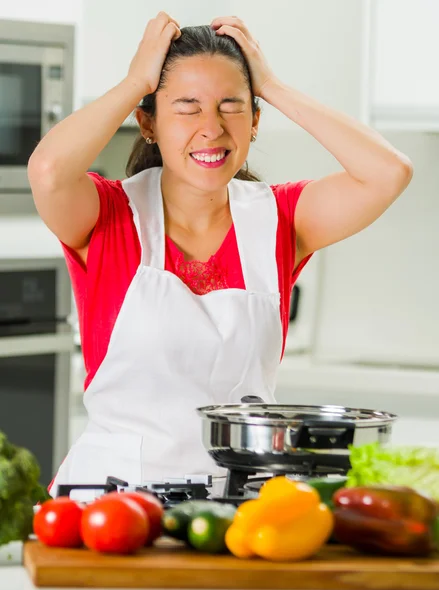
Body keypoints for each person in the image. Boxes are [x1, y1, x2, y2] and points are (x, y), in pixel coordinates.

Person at [28, 13, 413, 494]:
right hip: (111, 505)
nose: (211, 129)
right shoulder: (108, 216)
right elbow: (46, 171)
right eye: (187, 107)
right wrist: (135, 82)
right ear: (147, 121)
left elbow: (388, 173)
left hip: (240, 508)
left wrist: (270, 85)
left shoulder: (281, 219)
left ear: (254, 121)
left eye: (231, 106)